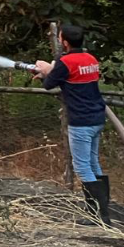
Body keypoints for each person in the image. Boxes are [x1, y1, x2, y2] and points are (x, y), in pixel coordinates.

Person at [34, 24, 110, 225]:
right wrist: (52, 70)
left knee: (82, 165)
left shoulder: (65, 62)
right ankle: (104, 214)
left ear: (64, 42)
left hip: (81, 121)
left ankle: (96, 216)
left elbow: (49, 85)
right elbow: (76, 78)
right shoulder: (90, 59)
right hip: (97, 117)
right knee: (93, 162)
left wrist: (45, 72)